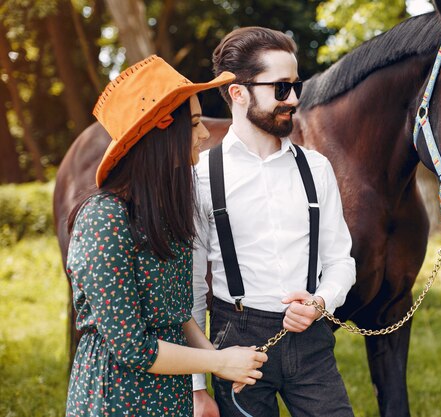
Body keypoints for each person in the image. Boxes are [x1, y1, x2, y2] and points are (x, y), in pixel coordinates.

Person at [64, 55, 268, 417]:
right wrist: (219, 363)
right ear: (161, 133)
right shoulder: (104, 219)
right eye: (193, 124)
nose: (205, 134)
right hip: (119, 398)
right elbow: (132, 348)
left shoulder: (163, 212)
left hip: (169, 394)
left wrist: (218, 360)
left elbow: (176, 312)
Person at [192, 27, 356, 416]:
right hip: (236, 343)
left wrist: (320, 302)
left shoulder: (316, 168)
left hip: (311, 342)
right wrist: (198, 386)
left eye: (295, 86)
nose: (294, 99)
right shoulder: (202, 176)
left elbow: (341, 261)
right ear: (238, 92)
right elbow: (194, 286)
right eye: (281, 88)